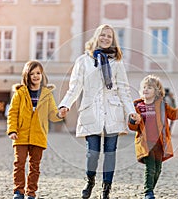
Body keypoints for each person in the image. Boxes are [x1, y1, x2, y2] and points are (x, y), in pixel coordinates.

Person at [58, 24, 140, 199]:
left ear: (113, 40)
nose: (105, 38)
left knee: (110, 153)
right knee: (92, 153)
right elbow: (75, 87)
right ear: (96, 36)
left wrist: (130, 111)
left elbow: (123, 90)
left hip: (112, 111)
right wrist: (65, 105)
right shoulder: (83, 61)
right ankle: (90, 181)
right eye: (102, 35)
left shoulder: (117, 62)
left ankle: (106, 189)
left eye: (109, 36)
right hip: (91, 110)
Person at [6, 60, 63, 199]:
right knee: (19, 163)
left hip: (39, 135)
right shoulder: (20, 93)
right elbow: (13, 113)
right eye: (32, 74)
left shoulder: (47, 94)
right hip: (21, 135)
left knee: (35, 166)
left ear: (42, 75)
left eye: (38, 73)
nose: (36, 76)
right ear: (27, 76)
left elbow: (52, 114)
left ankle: (31, 193)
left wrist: (60, 114)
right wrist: (12, 130)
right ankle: (18, 191)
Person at [128, 75, 178, 199]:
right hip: (146, 144)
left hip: (160, 143)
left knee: (157, 170)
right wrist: (134, 120)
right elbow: (132, 127)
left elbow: (174, 115)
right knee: (150, 168)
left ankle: (150, 189)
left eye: (149, 87)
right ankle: (148, 192)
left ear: (157, 91)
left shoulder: (162, 105)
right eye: (144, 87)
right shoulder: (137, 107)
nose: (146, 89)